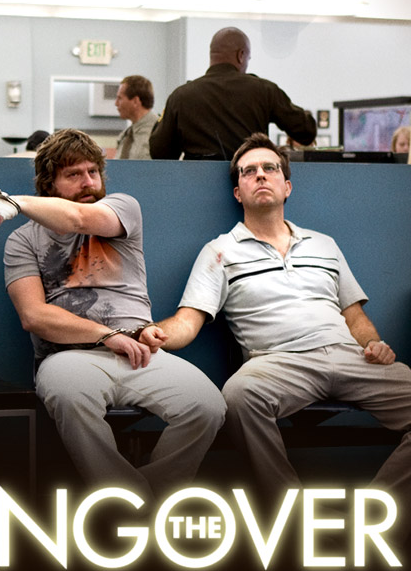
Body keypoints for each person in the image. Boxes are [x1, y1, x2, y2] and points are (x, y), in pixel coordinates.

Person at [152, 133, 411, 508]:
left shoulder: (323, 244)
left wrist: (373, 343)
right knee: (238, 397)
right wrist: (153, 333)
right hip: (277, 362)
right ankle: (293, 516)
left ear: (286, 186)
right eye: (249, 171)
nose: (260, 175)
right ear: (238, 192)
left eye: (270, 168)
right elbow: (187, 322)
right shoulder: (219, 251)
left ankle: (376, 515)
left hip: (350, 356)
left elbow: (354, 315)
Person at [0, 129, 225, 502]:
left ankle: (155, 498)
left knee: (207, 406)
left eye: (93, 171)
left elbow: (77, 219)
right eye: (73, 174)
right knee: (70, 398)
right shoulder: (23, 240)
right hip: (69, 356)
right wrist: (106, 335)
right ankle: (124, 499)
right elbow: (34, 316)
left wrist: (13, 203)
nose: (88, 182)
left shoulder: (122, 208)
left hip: (141, 352)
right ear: (49, 184)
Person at [148, 27, 316, 160]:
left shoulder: (181, 96)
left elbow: (160, 152)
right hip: (248, 181)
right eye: (248, 59)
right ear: (241, 55)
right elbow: (306, 132)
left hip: (196, 185)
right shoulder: (264, 90)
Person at [113, 75, 157, 160]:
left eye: (120, 98)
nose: (116, 103)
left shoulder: (158, 132)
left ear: (135, 101)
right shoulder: (126, 135)